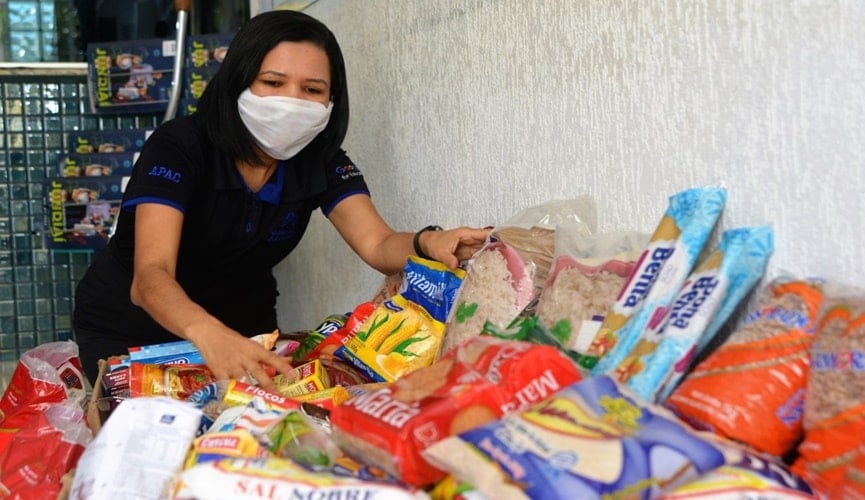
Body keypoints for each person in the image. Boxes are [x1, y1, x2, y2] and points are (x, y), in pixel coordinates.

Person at [72, 10, 490, 393]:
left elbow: (377, 244)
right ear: (239, 80)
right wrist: (208, 334)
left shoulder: (320, 162)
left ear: (331, 101)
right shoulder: (180, 147)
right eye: (272, 83)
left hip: (246, 330)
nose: (292, 101)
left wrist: (429, 243)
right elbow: (150, 276)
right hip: (131, 331)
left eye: (312, 89)